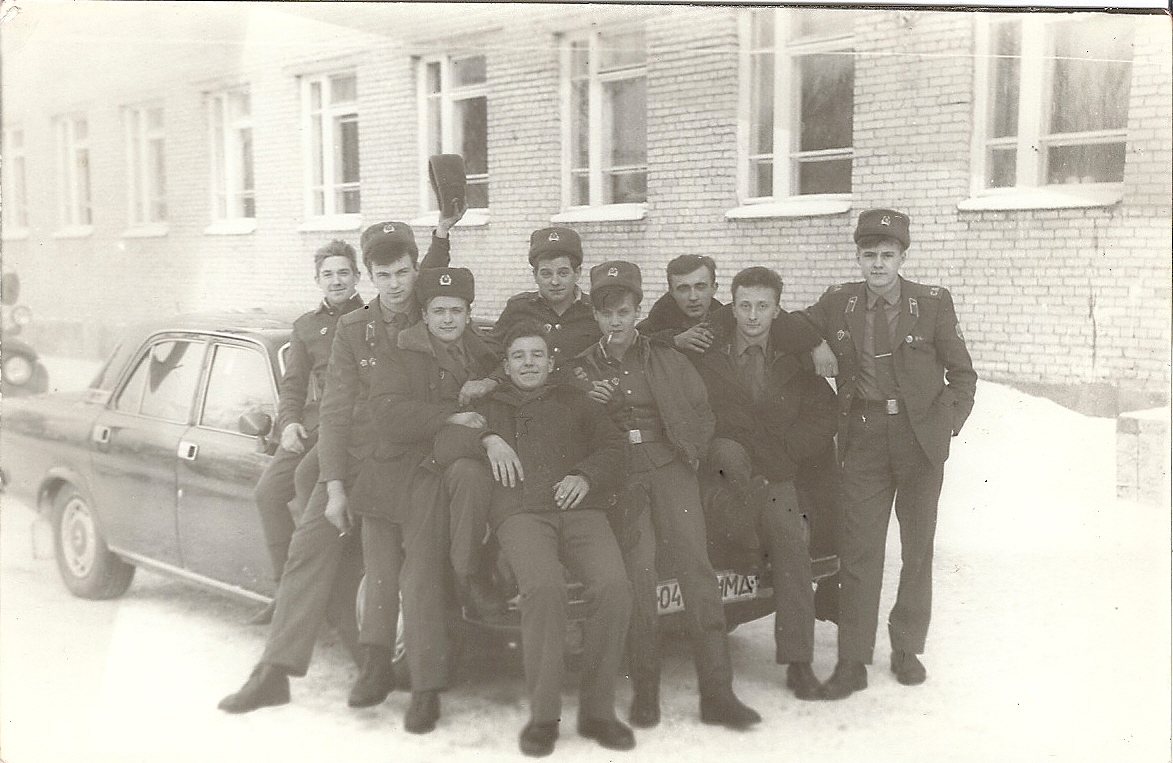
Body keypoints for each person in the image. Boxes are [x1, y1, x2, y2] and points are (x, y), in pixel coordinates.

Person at [217, 217, 455, 715]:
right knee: (307, 552)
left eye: (404, 273)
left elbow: (439, 270)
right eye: (384, 274)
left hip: (412, 464)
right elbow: (334, 409)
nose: (395, 285)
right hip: (355, 460)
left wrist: (443, 232)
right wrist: (334, 484)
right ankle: (273, 673)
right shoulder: (353, 327)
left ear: (415, 272)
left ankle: (415, 678)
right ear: (370, 274)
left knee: (413, 570)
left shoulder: (431, 312)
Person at [569, 261, 759, 731]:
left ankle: (718, 693)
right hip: (623, 476)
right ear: (595, 316)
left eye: (624, 312)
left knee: (697, 570)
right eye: (607, 314)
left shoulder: (665, 356)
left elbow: (701, 408)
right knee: (641, 575)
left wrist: (688, 454)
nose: (616, 322)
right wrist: (591, 401)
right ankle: (646, 692)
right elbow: (573, 427)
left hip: (670, 468)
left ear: (638, 312)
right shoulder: (581, 368)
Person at [432, 322, 634, 757]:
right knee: (544, 589)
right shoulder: (489, 405)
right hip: (521, 513)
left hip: (579, 510)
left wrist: (586, 475)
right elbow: (445, 443)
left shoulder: (576, 400)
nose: (528, 363)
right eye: (519, 356)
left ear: (550, 361)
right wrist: (487, 440)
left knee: (615, 587)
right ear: (505, 366)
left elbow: (615, 449)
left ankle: (598, 711)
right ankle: (544, 718)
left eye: (537, 355)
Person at [803, 209, 977, 699]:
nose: (877, 264)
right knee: (860, 550)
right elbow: (792, 324)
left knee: (917, 548)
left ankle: (906, 649)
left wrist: (946, 424)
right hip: (863, 435)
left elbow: (963, 374)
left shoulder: (933, 303)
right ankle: (852, 660)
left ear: (902, 257)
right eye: (868, 255)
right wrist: (816, 342)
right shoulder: (838, 302)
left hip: (918, 438)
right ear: (858, 257)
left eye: (887, 255)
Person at [691, 266, 838, 701]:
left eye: (762, 306)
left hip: (775, 473)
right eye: (744, 306)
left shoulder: (797, 359)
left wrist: (790, 450)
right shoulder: (708, 355)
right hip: (723, 476)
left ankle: (799, 662)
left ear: (777, 310)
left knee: (791, 541)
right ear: (732, 308)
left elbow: (824, 416)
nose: (752, 316)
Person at [369, 266, 500, 734]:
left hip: (463, 473)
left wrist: (491, 386)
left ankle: (470, 578)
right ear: (423, 314)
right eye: (439, 310)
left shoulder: (482, 353)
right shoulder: (399, 352)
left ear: (468, 314)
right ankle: (424, 690)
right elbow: (388, 415)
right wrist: (451, 416)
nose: (448, 319)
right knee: (420, 573)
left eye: (456, 311)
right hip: (414, 474)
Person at [247, 240, 363, 626]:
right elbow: (293, 385)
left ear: (357, 276)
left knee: (309, 484)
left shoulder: (371, 317)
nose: (336, 281)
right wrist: (289, 423)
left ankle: (318, 594)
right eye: (328, 274)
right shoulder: (306, 326)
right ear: (317, 280)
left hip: (354, 427)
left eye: (343, 273)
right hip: (314, 427)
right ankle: (286, 590)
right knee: (267, 493)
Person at [488, 226, 600, 375]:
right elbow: (491, 352)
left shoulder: (594, 310)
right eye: (546, 274)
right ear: (535, 275)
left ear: (577, 273)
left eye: (563, 273)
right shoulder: (519, 308)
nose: (555, 282)